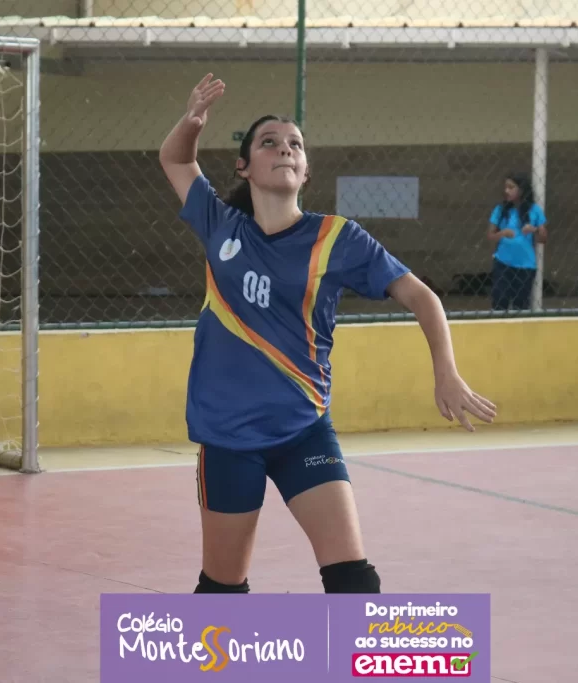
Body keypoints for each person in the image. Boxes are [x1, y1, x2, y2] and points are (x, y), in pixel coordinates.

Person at [158, 74, 497, 594]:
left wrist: (446, 372)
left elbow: (422, 296)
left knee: (354, 581)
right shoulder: (222, 226)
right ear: (244, 166)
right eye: (269, 142)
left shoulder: (337, 238)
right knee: (222, 590)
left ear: (306, 169)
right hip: (228, 438)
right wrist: (192, 122)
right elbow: (176, 160)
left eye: (295, 144)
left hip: (303, 429)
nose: (285, 149)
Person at [485, 172, 547, 311]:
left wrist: (534, 230)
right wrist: (502, 233)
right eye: (505, 187)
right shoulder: (500, 210)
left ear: (522, 190)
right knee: (500, 300)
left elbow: (543, 239)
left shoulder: (534, 210)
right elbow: (490, 236)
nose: (507, 191)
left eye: (511, 187)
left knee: (521, 305)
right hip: (503, 263)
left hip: (525, 266)